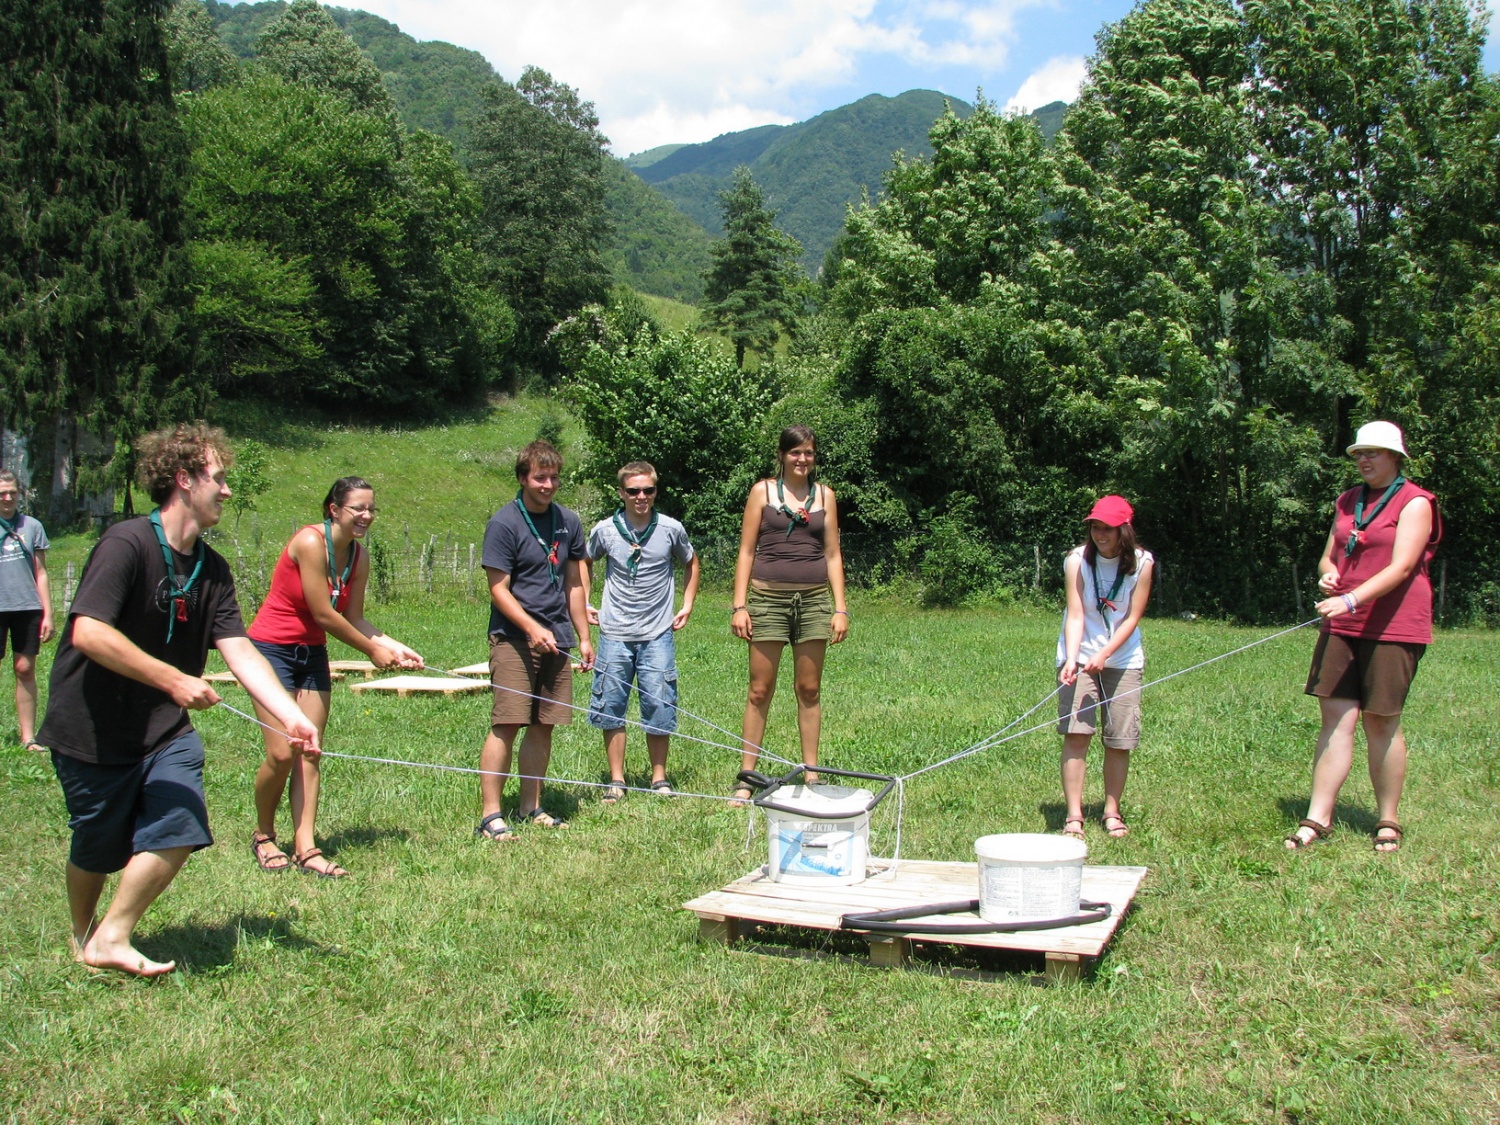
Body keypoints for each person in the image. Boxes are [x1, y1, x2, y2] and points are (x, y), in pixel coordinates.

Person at [37, 423, 319, 976]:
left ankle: (112, 935)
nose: (227, 490)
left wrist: (292, 716)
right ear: (185, 479)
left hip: (164, 730)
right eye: (219, 478)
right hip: (91, 725)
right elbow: (88, 632)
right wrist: (172, 679)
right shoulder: (126, 544)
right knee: (97, 845)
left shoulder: (213, 570)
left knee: (181, 821)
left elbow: (240, 650)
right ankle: (82, 934)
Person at [246, 478, 424, 877]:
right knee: (281, 753)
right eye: (358, 508)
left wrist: (396, 647)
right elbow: (324, 614)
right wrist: (372, 651)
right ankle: (263, 835)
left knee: (310, 750)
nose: (366, 516)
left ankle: (306, 848)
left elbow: (355, 617)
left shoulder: (358, 556)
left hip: (311, 653)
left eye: (371, 509)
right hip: (271, 650)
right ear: (334, 509)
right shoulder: (310, 542)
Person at [1286, 421, 1440, 853]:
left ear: (1395, 457)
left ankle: (1387, 819)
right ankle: (1318, 817)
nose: (1364, 460)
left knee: (1381, 719)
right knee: (1335, 718)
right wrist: (1328, 576)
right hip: (1343, 621)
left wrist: (1351, 599)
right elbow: (1328, 556)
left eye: (1373, 452)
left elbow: (1402, 566)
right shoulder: (1347, 500)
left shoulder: (1416, 502)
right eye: (1358, 454)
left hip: (1393, 624)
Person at [477, 440, 594, 839]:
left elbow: (574, 583)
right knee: (508, 722)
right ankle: (491, 815)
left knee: (544, 725)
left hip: (557, 637)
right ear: (523, 478)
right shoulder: (504, 523)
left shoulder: (568, 521)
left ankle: (531, 805)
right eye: (540, 478)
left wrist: (583, 636)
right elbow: (499, 589)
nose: (548, 485)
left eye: (554, 478)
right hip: (513, 638)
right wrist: (531, 628)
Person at [729, 425, 848, 803]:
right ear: (781, 455)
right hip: (767, 601)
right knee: (759, 690)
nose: (802, 459)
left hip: (813, 602)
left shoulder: (825, 496)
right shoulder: (762, 492)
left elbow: (833, 554)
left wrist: (840, 608)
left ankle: (812, 774)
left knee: (809, 689)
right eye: (795, 452)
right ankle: (747, 778)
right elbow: (747, 550)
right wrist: (740, 605)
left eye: (808, 452)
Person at [581, 461, 701, 799]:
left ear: (655, 491)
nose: (641, 497)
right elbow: (584, 562)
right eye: (633, 491)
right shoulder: (605, 530)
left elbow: (691, 563)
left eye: (648, 490)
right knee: (610, 706)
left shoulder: (671, 528)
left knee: (660, 703)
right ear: (621, 493)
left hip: (657, 633)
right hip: (614, 633)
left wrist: (687, 604)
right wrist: (585, 601)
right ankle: (617, 780)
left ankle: (659, 778)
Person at [1055, 495, 1154, 841]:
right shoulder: (1077, 560)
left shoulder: (1142, 563)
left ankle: (1112, 811)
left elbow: (1132, 616)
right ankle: (1074, 816)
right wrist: (1072, 658)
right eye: (1095, 527)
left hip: (1123, 659)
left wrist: (1107, 653)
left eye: (1107, 529)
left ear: (1123, 530)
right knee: (1076, 733)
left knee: (1119, 739)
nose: (1100, 535)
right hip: (1079, 654)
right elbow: (1076, 614)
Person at [0, 470, 53, 751]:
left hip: (27, 606)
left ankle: (28, 737)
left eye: (13, 492)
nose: (8, 498)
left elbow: (41, 572)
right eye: (2, 493)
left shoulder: (32, 526)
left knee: (25, 668)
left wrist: (48, 614)